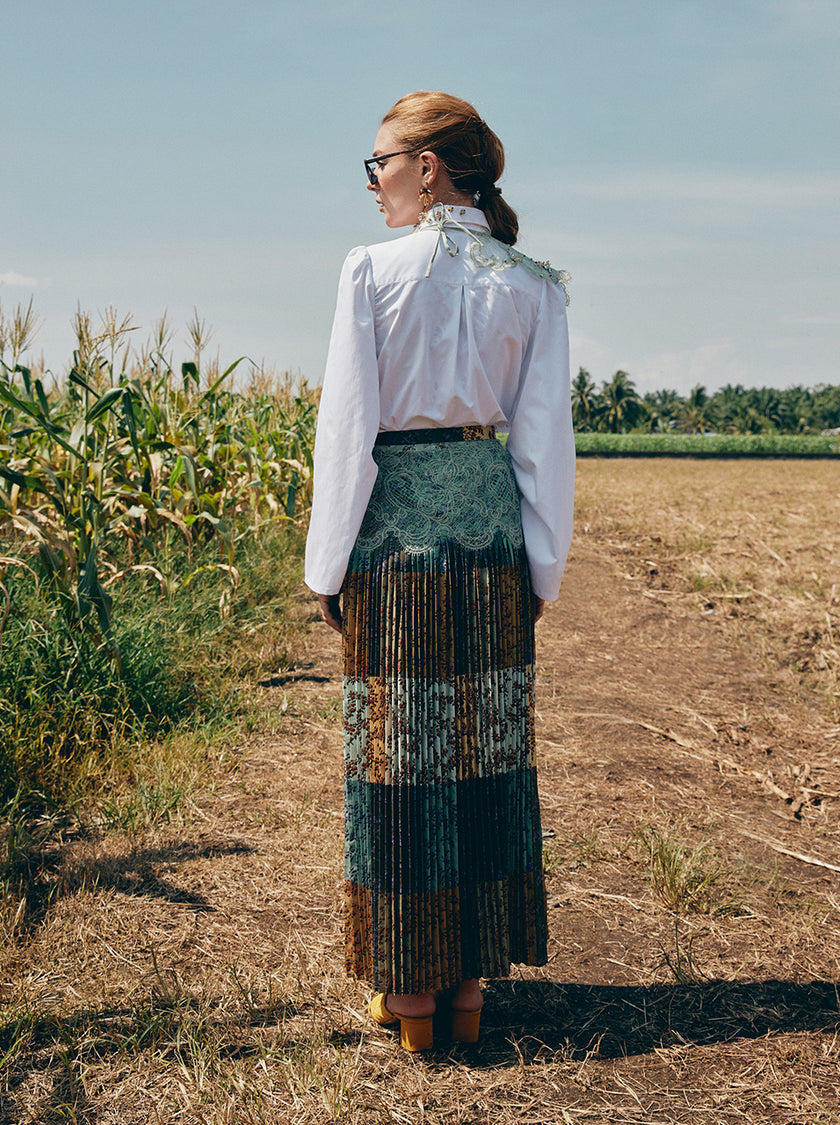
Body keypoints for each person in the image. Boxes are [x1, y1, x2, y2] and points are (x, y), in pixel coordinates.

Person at [304, 91, 576, 1051]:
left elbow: (348, 432)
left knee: (400, 756)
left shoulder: (371, 272)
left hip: (396, 547)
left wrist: (325, 566)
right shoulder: (533, 281)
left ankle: (409, 999)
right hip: (493, 540)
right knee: (485, 755)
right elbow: (543, 443)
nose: (372, 182)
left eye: (378, 162)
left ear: (427, 166)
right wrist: (541, 572)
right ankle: (467, 990)